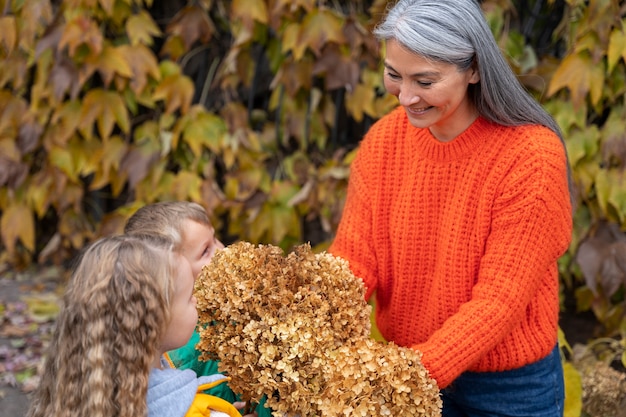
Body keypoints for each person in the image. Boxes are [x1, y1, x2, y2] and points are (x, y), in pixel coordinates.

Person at [328, 1, 573, 416]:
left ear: (474, 69)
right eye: (393, 75)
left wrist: (408, 377)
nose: (405, 97)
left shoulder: (530, 156)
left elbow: (499, 301)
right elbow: (354, 258)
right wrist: (309, 325)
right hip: (409, 371)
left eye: (424, 80)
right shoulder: (385, 140)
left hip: (506, 391)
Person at [26, 234, 250, 417]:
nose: (197, 300)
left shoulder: (79, 395)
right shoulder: (200, 413)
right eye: (190, 295)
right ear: (156, 323)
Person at [124, 201, 269, 416]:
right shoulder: (176, 351)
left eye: (216, 239)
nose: (222, 251)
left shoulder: (239, 304)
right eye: (205, 251)